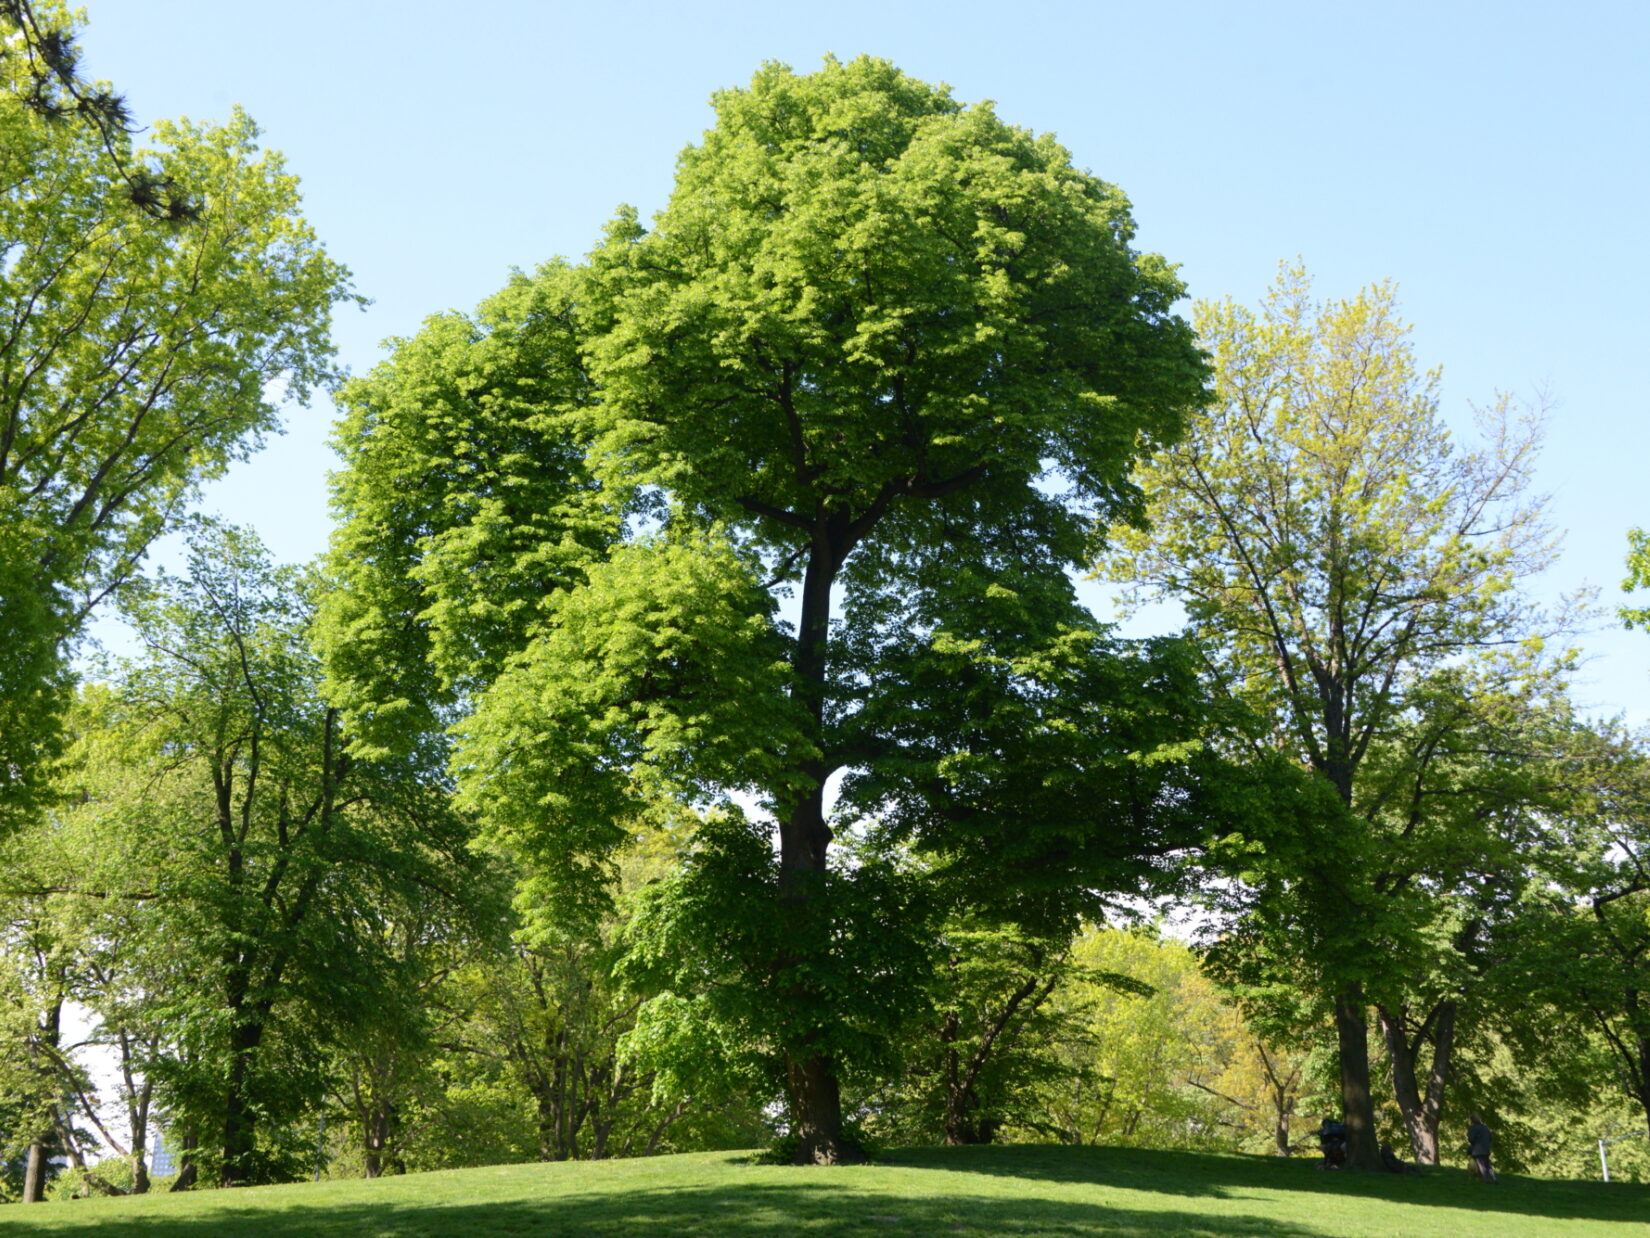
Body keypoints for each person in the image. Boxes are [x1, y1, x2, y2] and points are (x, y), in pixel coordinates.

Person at [1466, 1114, 1497, 1183]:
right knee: (1488, 1165)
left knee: (1481, 1164)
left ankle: (1485, 1179)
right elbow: (1490, 1137)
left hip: (1477, 1149)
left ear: (1471, 1120)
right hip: (1486, 1148)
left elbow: (1471, 1139)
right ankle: (1494, 1178)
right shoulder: (1485, 1127)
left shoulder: (1472, 1128)